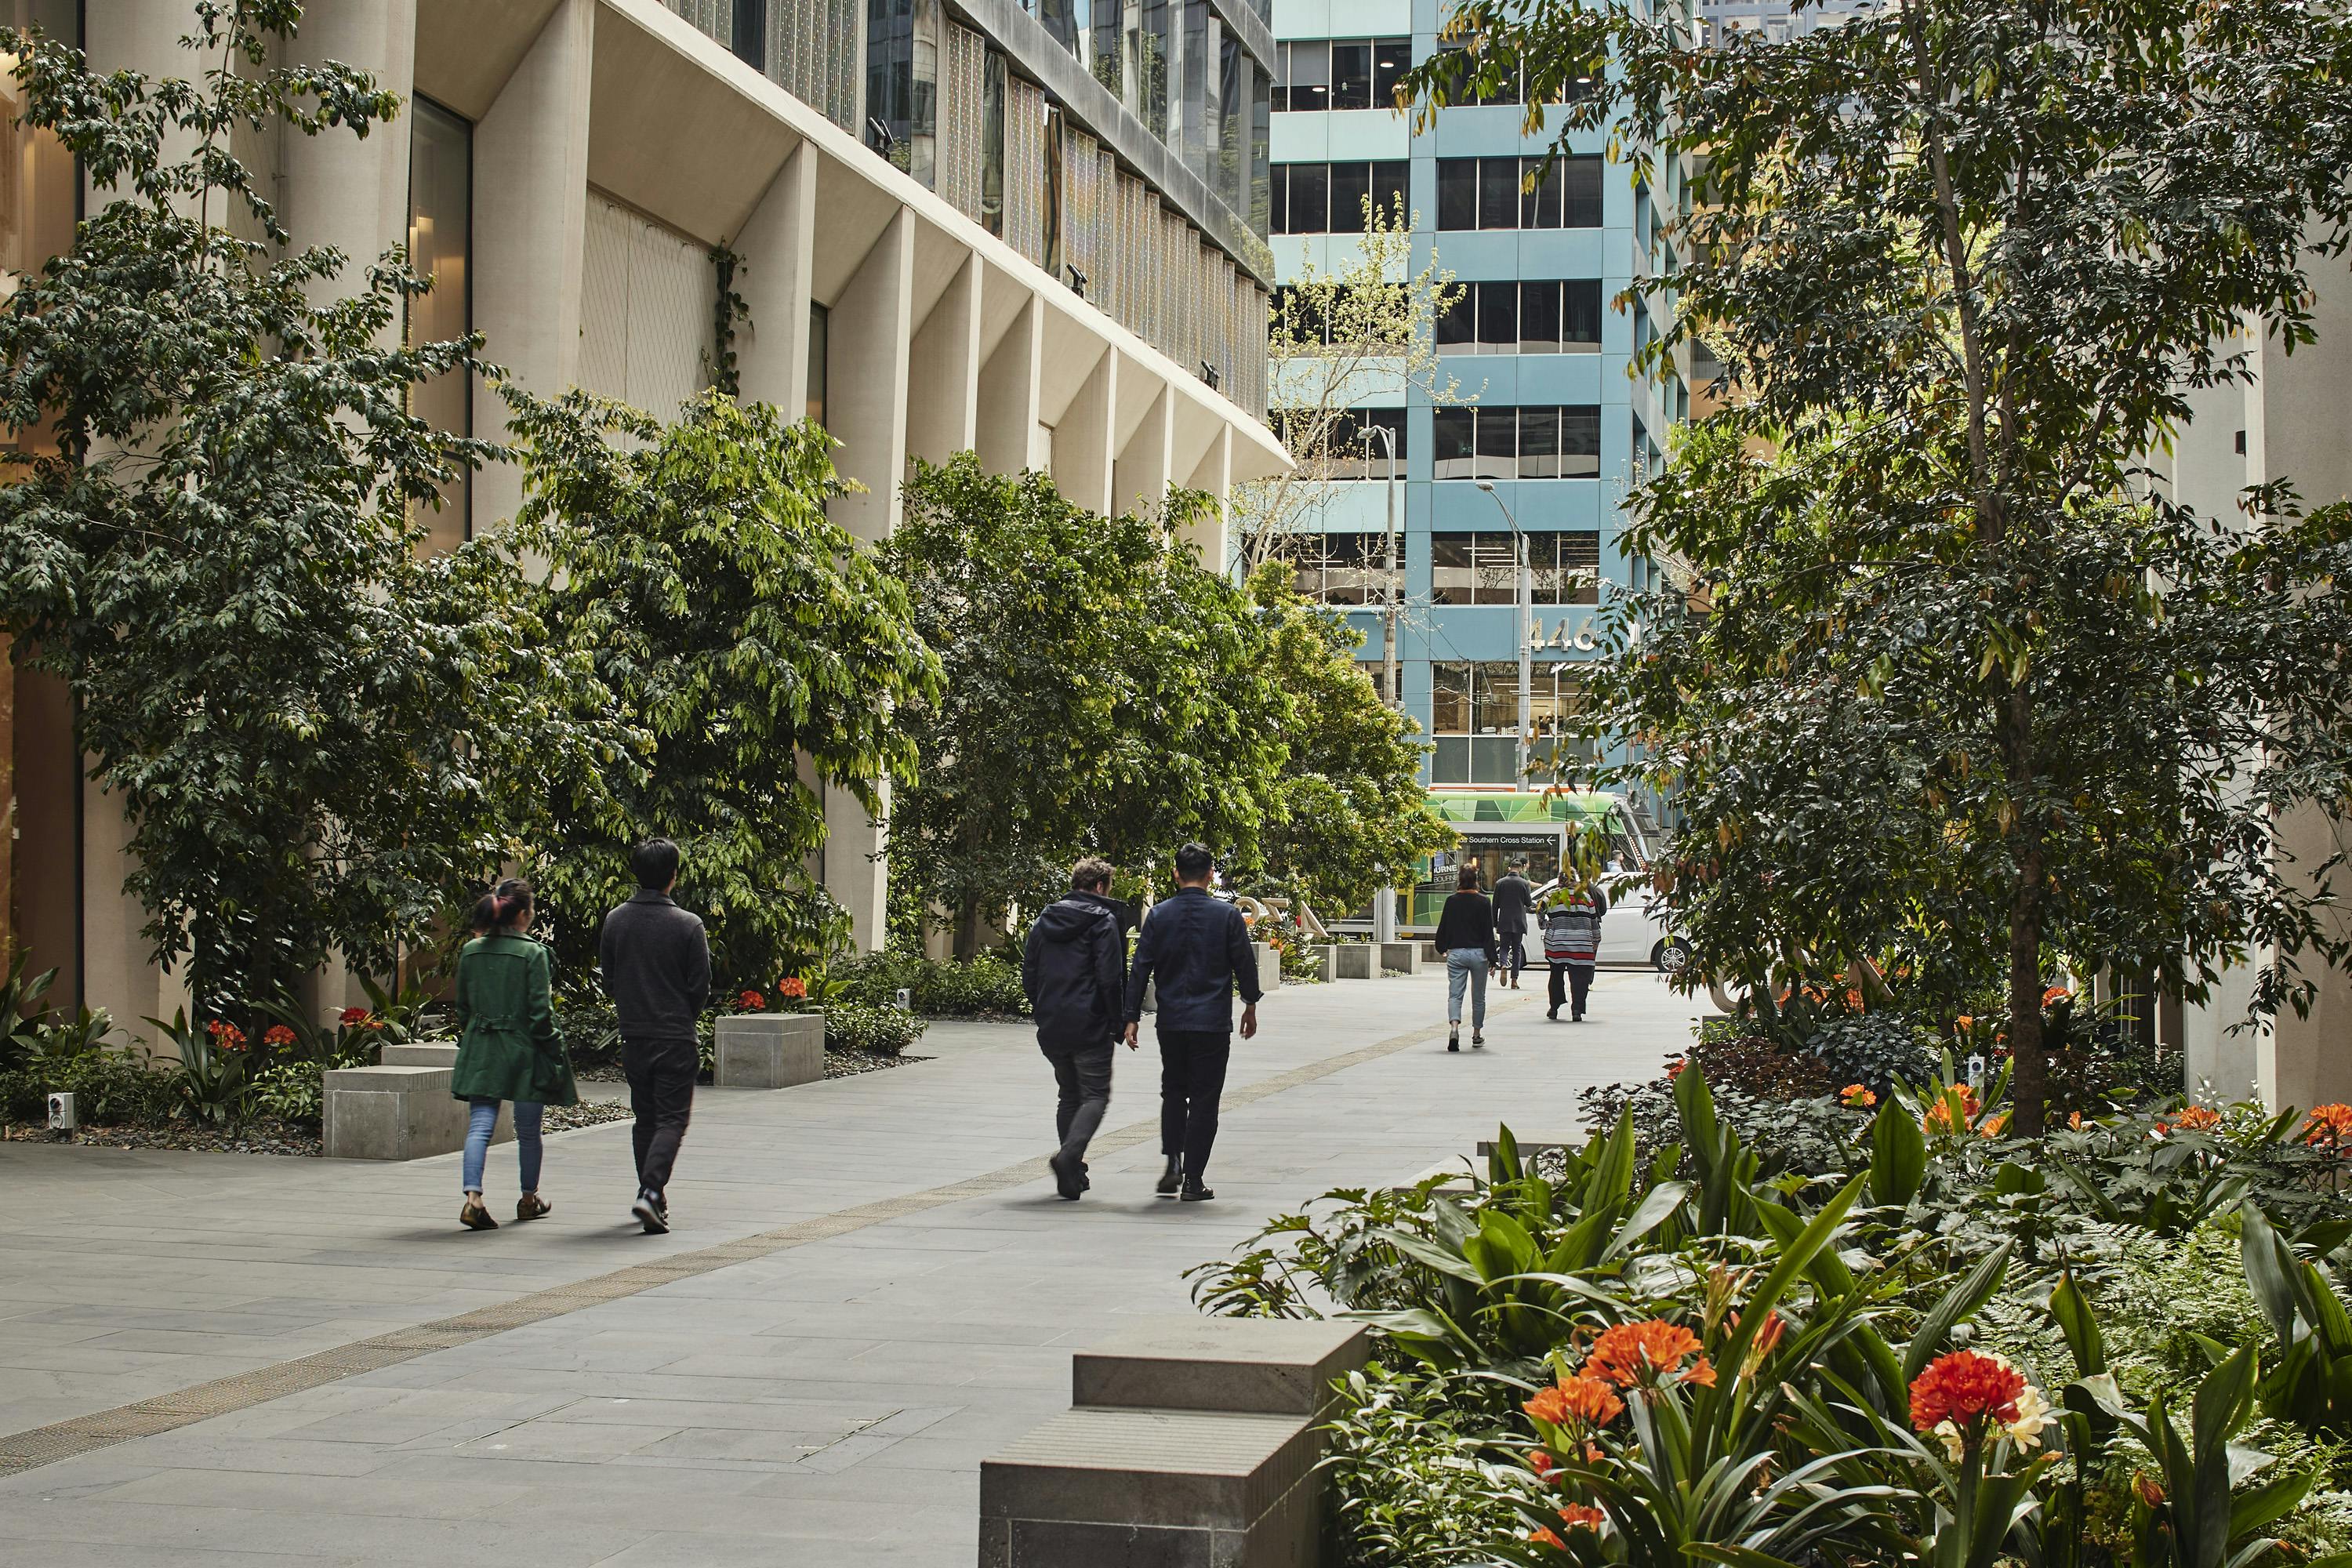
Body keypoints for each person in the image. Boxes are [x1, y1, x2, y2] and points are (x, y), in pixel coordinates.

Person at [1121, 843, 1261, 1203]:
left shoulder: (1159, 915)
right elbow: (1244, 963)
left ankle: (1172, 1162)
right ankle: (1193, 1180)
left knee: (1173, 1092)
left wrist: (1132, 1017)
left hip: (1171, 1021)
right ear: (1211, 874)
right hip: (1211, 1022)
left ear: (1176, 874)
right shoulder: (1227, 916)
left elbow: (1140, 967)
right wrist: (1249, 1004)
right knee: (1204, 1099)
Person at [448, 879, 576, 1232]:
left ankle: (473, 1198)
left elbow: (463, 1008)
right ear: (522, 914)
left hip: (483, 1046)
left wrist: (475, 1034)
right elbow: (540, 1014)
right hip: (524, 1051)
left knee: (480, 1124)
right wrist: (554, 1048)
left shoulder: (471, 951)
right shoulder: (533, 954)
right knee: (529, 1129)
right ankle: (528, 1198)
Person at [600, 838, 710, 1234]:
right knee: (672, 1120)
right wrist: (683, 1016)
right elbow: (700, 985)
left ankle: (654, 1199)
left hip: (635, 1035)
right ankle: (650, 1193)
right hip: (675, 1036)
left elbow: (609, 977)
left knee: (645, 1118)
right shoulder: (688, 925)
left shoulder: (616, 920)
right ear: (673, 876)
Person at [1022, 856, 1127, 1200]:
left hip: (1052, 1022)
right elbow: (1109, 977)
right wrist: (1116, 1020)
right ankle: (1068, 1157)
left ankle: (1074, 1171)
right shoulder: (1103, 921)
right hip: (1089, 1022)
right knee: (1095, 1094)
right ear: (1100, 886)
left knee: (1069, 1094)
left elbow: (1030, 974)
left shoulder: (1044, 920)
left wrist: (1043, 1008)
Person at [1433, 862, 1498, 1051]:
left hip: (1457, 953)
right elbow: (1488, 932)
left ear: (1459, 880)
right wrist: (1493, 959)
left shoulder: (1452, 901)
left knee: (1455, 995)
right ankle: (1476, 1034)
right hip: (1479, 954)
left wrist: (1442, 948)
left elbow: (1444, 926)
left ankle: (1454, 1028)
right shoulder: (1484, 902)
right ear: (1476, 881)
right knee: (1479, 997)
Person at [1544, 879, 1610, 1022]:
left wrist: (1545, 925)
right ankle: (1577, 1010)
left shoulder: (1553, 897)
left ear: (1560, 882)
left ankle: (1554, 1008)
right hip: (1582, 944)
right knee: (1580, 978)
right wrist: (1596, 940)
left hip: (1557, 945)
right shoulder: (1586, 898)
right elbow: (1594, 921)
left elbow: (1539, 911)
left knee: (1555, 976)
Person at [1493, 859, 1534, 989]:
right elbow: (1528, 902)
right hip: (1519, 921)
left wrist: (1495, 922)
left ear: (1509, 868)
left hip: (1504, 920)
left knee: (1504, 947)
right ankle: (1514, 980)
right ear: (1520, 869)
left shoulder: (1500, 883)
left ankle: (1504, 964)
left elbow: (1495, 905)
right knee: (1517, 950)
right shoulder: (1524, 883)